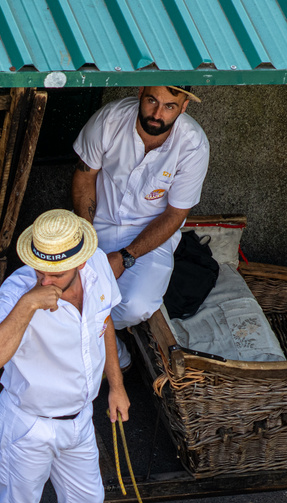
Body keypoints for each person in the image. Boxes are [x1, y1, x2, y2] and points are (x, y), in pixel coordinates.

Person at [0, 209, 131, 503]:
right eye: (39, 269)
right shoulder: (18, 292)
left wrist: (116, 386)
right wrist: (28, 304)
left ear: (80, 261)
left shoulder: (97, 266)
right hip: (29, 424)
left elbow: (105, 324)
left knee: (87, 501)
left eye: (55, 274)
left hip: (79, 420)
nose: (45, 279)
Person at [71, 86, 209, 366]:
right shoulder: (110, 119)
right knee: (65, 289)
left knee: (136, 305)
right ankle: (113, 354)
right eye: (152, 101)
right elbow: (84, 177)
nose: (157, 114)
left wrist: (126, 257)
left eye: (170, 106)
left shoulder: (193, 144)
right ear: (140, 93)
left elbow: (174, 214)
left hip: (150, 237)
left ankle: (92, 347)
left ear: (184, 107)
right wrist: (87, 241)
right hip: (97, 224)